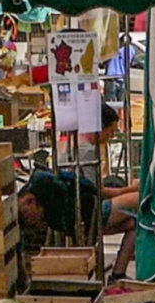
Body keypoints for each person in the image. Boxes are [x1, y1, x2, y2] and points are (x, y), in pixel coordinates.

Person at [19, 104, 139, 275]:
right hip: (86, 212)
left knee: (135, 223)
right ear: (99, 127)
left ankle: (118, 273)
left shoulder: (70, 142)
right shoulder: (86, 150)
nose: (111, 137)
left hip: (76, 211)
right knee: (141, 198)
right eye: (110, 132)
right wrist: (129, 189)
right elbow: (98, 192)